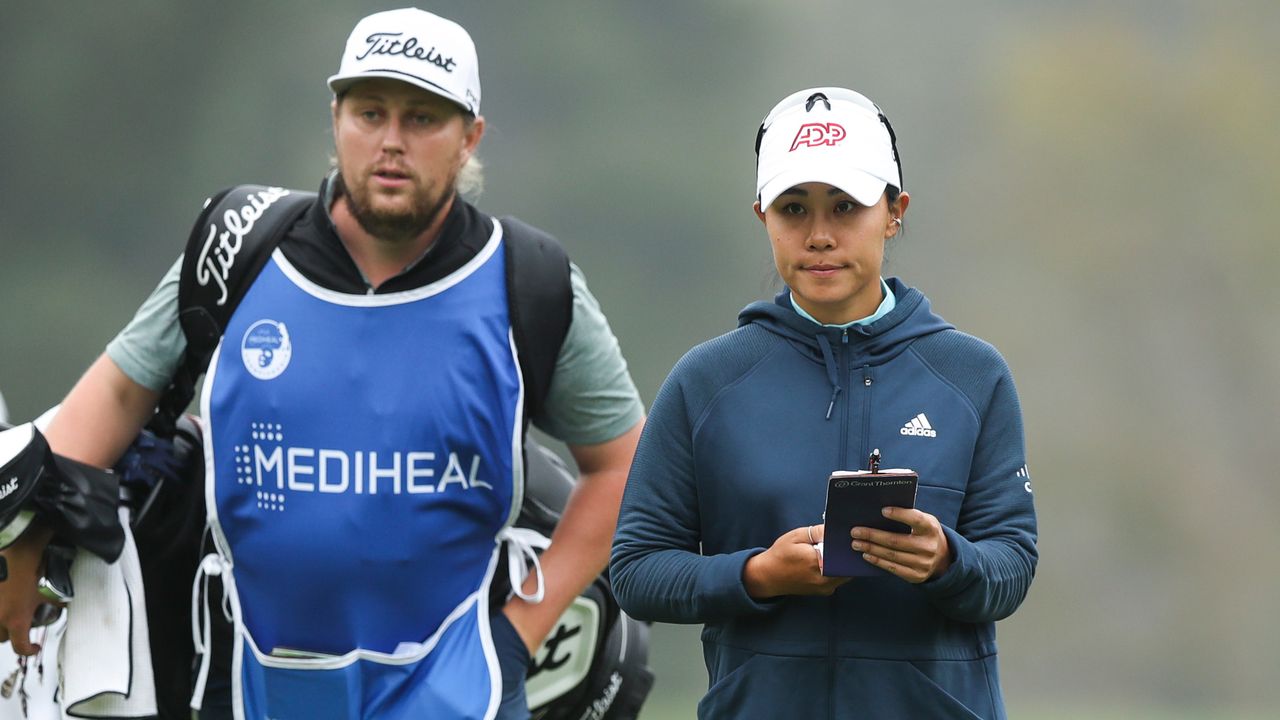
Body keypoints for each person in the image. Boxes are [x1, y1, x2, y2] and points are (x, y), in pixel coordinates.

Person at [0, 8, 644, 719]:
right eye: (370, 112)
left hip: (459, 695)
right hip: (248, 682)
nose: (391, 142)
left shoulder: (530, 281)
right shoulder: (237, 247)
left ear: (469, 138)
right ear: (336, 117)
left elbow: (622, 465)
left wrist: (515, 635)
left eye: (423, 119)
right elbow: (119, 395)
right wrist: (27, 532)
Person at [610, 86, 1037, 718]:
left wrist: (949, 560)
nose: (818, 235)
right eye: (793, 209)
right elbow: (637, 571)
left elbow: (1013, 562)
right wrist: (757, 575)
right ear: (762, 216)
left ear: (894, 212)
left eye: (845, 207)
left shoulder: (970, 375)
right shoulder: (707, 381)